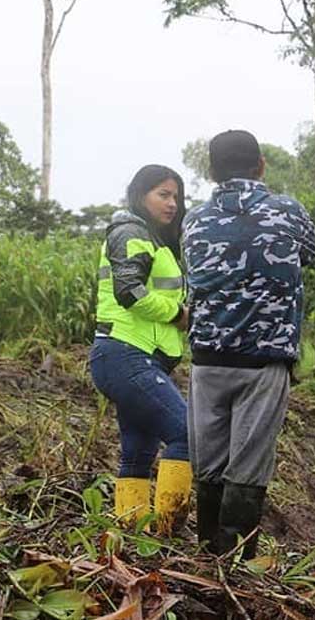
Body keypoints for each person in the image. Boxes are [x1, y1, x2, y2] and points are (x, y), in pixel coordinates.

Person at [182, 130, 315, 558]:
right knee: (248, 467)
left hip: (207, 361)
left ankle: (208, 558)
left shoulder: (193, 220)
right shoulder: (288, 212)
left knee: (209, 465)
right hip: (263, 362)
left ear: (210, 170)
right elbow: (309, 254)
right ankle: (238, 568)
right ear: (261, 165)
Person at [89, 165, 193, 535]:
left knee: (138, 453)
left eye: (176, 196)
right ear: (140, 195)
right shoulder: (132, 232)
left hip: (135, 357)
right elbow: (128, 291)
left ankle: (131, 537)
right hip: (125, 355)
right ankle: (167, 533)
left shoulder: (153, 238)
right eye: (163, 195)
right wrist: (178, 313)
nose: (172, 204)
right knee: (187, 435)